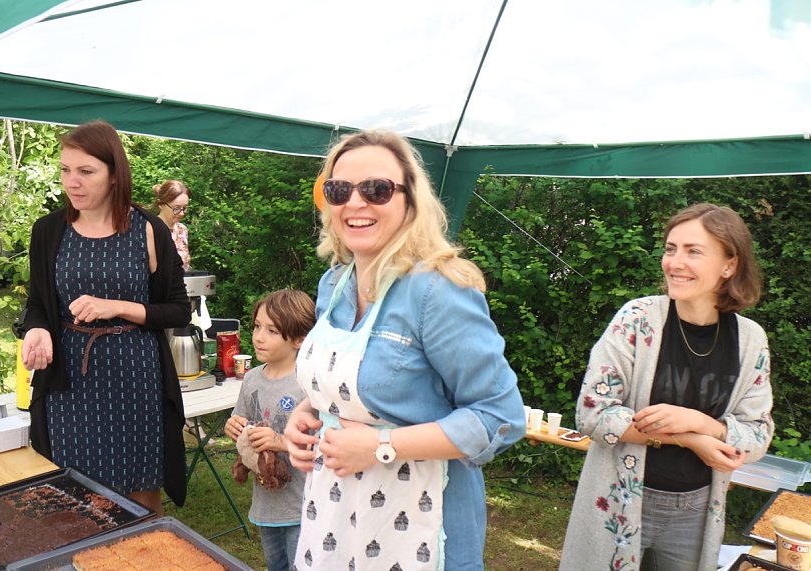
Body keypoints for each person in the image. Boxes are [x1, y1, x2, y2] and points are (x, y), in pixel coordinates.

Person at [283, 130, 526, 570]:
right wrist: (310, 410)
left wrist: (380, 445)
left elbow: (499, 417)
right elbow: (355, 379)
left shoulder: (439, 290)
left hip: (419, 524)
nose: (355, 203)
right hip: (334, 515)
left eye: (375, 189)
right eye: (338, 191)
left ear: (410, 201)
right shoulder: (334, 284)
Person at [559, 204, 774, 571]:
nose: (675, 262)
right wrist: (689, 438)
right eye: (671, 248)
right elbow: (593, 414)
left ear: (729, 265)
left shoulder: (750, 340)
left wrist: (705, 424)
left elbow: (758, 434)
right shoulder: (636, 320)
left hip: (697, 512)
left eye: (694, 251)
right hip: (620, 499)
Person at [20, 120, 191, 514]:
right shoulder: (48, 231)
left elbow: (179, 309)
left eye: (86, 171)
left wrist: (116, 306)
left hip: (135, 378)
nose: (72, 182)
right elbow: (38, 303)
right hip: (70, 383)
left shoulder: (147, 230)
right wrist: (37, 330)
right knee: (70, 497)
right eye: (65, 170)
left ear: (114, 175)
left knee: (139, 498)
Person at [223, 289, 316, 571]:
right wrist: (234, 426)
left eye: (272, 330)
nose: (259, 336)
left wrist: (281, 442)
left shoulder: (309, 384)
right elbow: (243, 421)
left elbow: (324, 443)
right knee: (275, 564)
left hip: (302, 505)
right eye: (257, 326)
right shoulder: (251, 380)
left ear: (299, 339)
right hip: (266, 503)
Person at [154, 179, 192, 270]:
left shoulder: (182, 230)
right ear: (161, 204)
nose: (182, 213)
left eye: (185, 208)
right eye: (176, 208)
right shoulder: (151, 229)